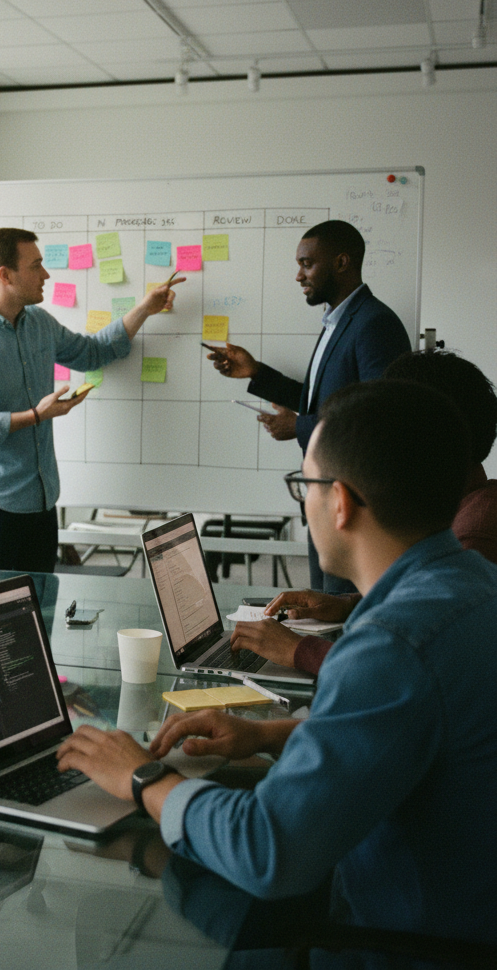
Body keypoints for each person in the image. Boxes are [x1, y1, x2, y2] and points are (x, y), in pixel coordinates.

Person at [57, 379, 497, 948]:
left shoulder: (391, 647)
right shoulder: (474, 584)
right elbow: (408, 740)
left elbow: (269, 851)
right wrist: (269, 734)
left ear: (339, 502)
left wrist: (143, 778)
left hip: (403, 943)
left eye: (304, 486)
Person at [231, 348, 497, 674]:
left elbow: (400, 665)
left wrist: (300, 650)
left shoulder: (474, 535)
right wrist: (349, 603)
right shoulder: (473, 510)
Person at [0, 227, 183, 573]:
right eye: (36, 265)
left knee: (40, 617)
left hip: (42, 506)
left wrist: (144, 308)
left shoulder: (39, 322)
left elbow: (93, 353)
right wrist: (33, 416)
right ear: (5, 275)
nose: (46, 274)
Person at [204, 219, 410, 591]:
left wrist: (297, 427)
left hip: (355, 510)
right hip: (328, 505)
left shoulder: (374, 324)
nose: (299, 275)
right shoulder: (338, 321)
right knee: (324, 614)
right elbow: (327, 400)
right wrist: (255, 372)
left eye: (307, 264)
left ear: (342, 263)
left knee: (338, 620)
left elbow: (381, 420)